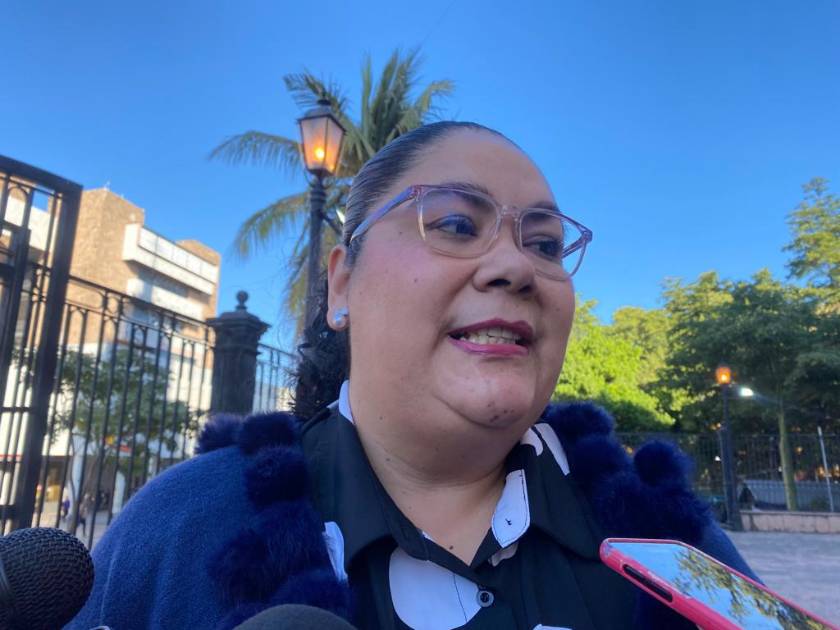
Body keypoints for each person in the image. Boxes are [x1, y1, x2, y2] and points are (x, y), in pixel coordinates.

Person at [69, 121, 755, 629]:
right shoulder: (184, 527)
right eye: (456, 223)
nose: (516, 266)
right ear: (342, 284)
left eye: (545, 244)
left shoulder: (674, 542)